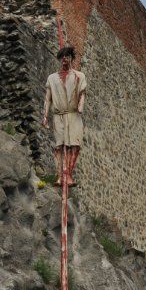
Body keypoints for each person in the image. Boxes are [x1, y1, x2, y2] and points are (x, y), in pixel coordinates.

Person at [42, 46, 87, 187]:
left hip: (74, 115)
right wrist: (45, 116)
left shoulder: (79, 76)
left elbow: (82, 93)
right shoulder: (52, 78)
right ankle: (60, 175)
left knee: (75, 146)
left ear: (71, 58)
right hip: (59, 116)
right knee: (59, 146)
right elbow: (47, 98)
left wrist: (80, 106)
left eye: (67, 56)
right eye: (62, 57)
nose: (64, 59)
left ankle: (68, 174)